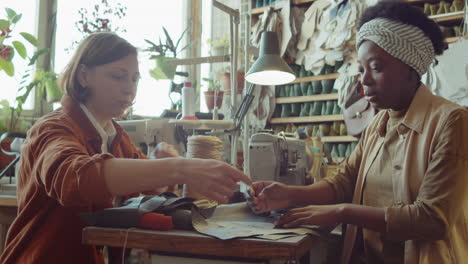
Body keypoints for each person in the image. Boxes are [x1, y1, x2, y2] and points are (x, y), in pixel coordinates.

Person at [0, 32, 251, 264]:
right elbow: (76, 179)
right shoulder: (53, 129)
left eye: (134, 79)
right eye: (118, 76)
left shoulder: (115, 136)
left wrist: (159, 168)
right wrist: (178, 168)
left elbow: (147, 188)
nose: (129, 88)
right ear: (84, 76)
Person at [250, 1, 468, 263]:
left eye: (375, 67)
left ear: (411, 68)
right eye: (362, 69)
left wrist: (342, 213)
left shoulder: (451, 122)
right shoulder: (378, 124)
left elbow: (432, 219)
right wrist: (289, 194)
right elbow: (345, 181)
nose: (364, 80)